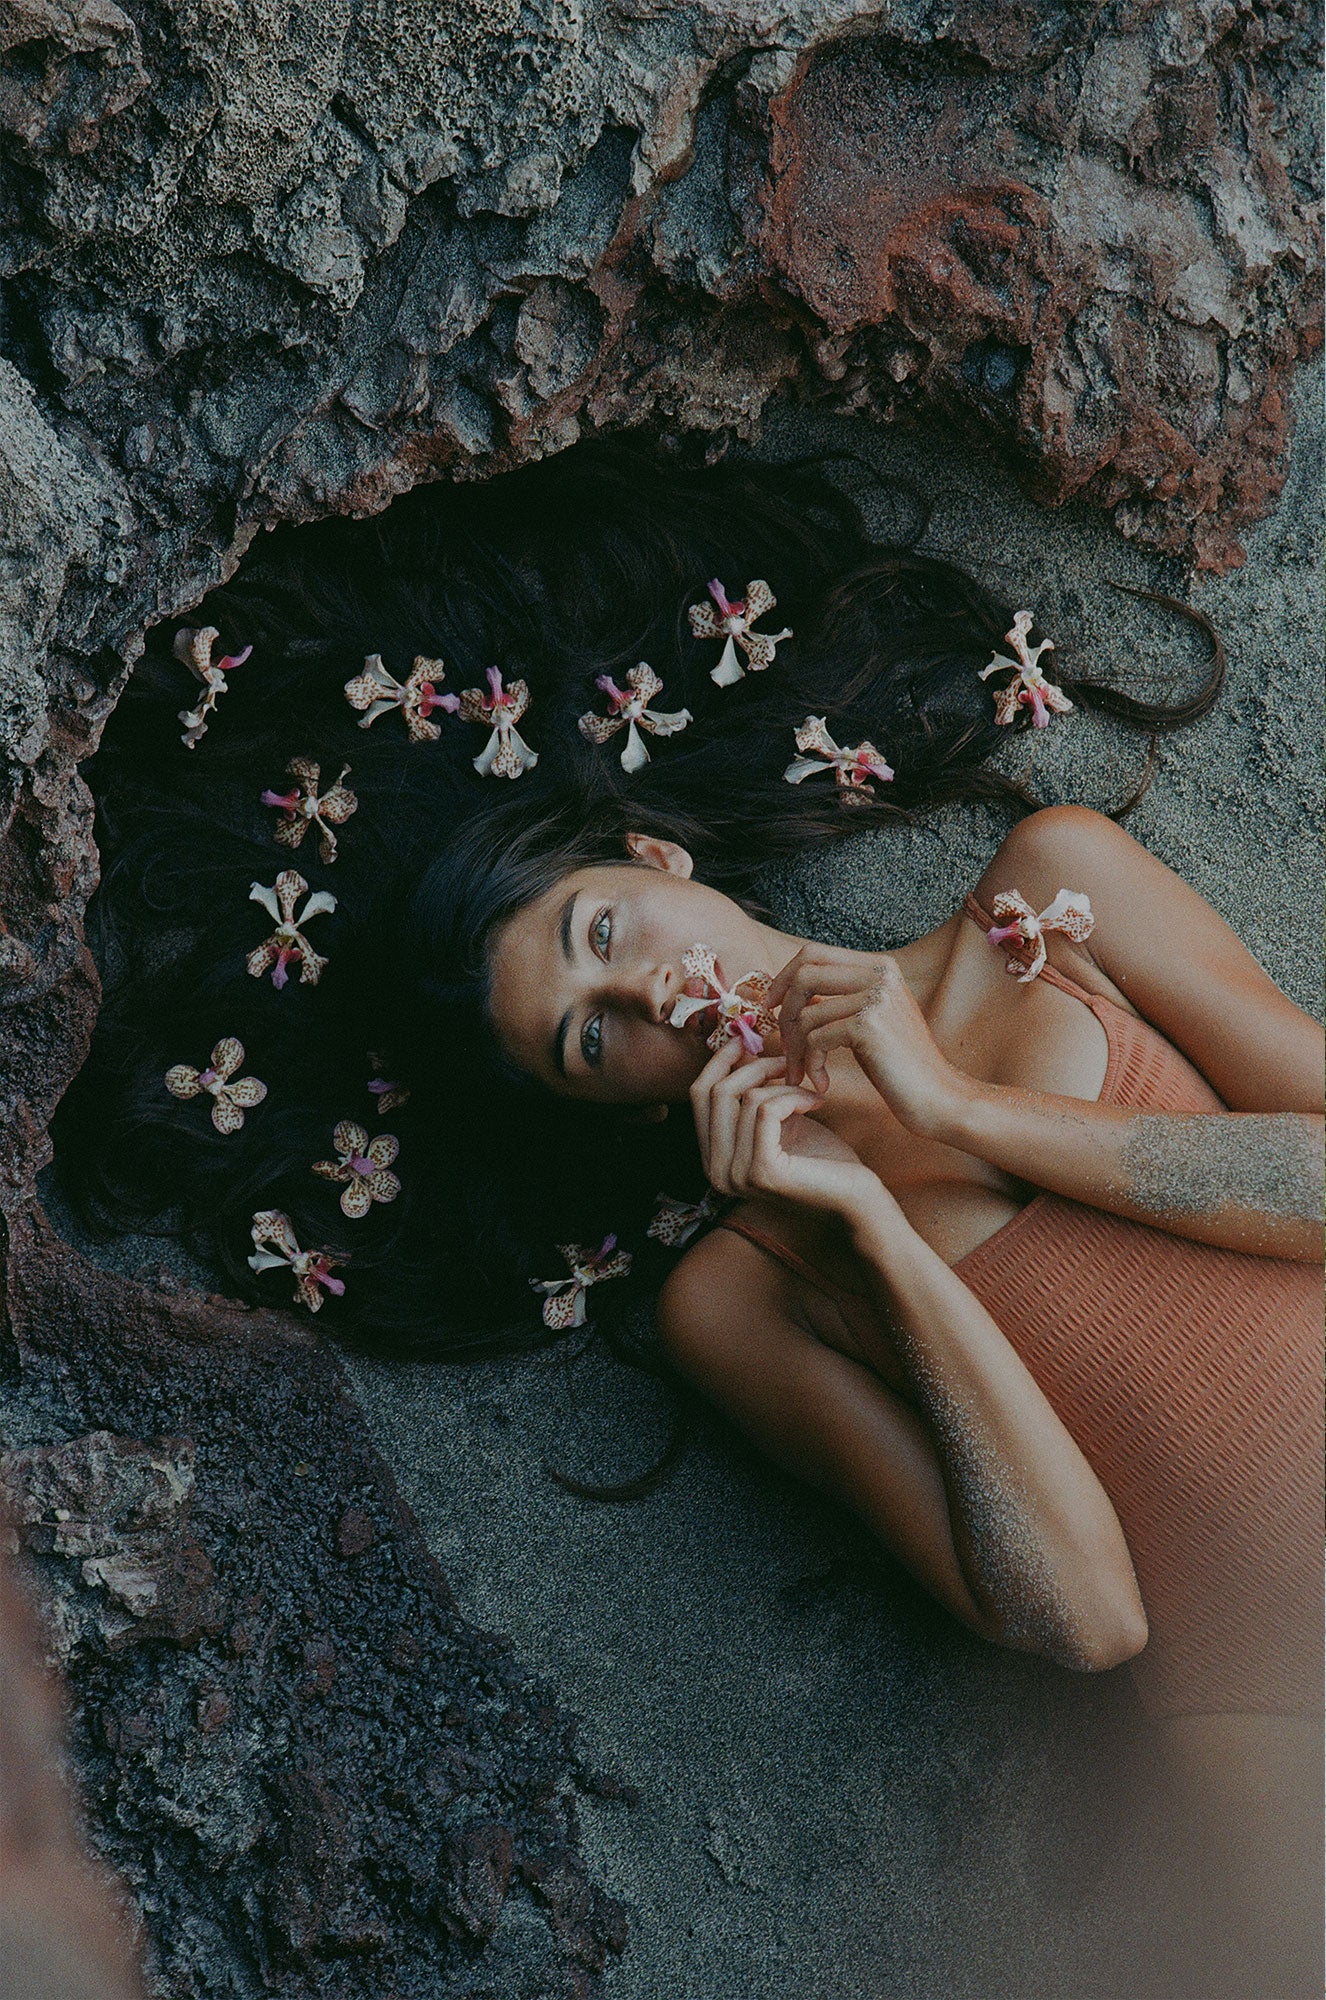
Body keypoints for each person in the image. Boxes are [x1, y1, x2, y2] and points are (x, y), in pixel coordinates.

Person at [57, 442, 1323, 1995]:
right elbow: (1080, 1619)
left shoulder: (1047, 902)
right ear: (591, 1101)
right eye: (587, 1036)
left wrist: (959, 1111)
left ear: (655, 858)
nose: (643, 994)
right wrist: (866, 1223)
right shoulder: (744, 1296)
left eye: (603, 930)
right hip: (1274, 1720)